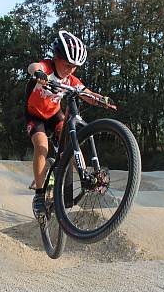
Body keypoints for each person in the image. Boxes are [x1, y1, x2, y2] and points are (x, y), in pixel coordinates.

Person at [25, 29, 112, 219]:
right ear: (56, 58)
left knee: (72, 148)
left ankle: (86, 176)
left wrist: (102, 100)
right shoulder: (47, 67)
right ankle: (39, 196)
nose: (70, 70)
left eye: (75, 66)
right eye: (67, 65)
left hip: (55, 115)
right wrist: (38, 73)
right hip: (36, 117)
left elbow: (86, 93)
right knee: (41, 147)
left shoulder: (70, 79)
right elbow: (33, 66)